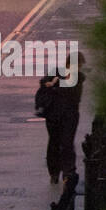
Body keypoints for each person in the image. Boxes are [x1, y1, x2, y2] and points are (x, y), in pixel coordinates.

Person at [37, 56, 85, 186]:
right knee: (54, 142)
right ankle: (54, 172)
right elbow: (43, 83)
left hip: (70, 117)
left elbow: (72, 92)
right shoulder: (57, 71)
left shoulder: (79, 77)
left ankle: (68, 172)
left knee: (67, 143)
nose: (77, 68)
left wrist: (55, 84)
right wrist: (52, 83)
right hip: (53, 115)